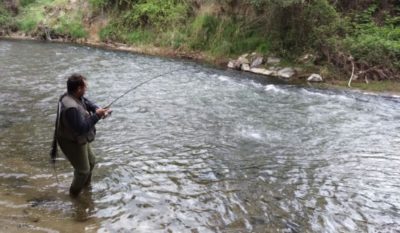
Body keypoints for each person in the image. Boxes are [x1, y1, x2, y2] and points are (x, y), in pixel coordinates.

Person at [55, 73, 111, 197]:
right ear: (79, 89)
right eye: (85, 87)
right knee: (83, 171)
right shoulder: (71, 108)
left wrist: (97, 109)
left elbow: (86, 101)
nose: (86, 89)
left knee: (91, 161)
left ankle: (85, 189)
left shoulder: (73, 95)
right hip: (70, 141)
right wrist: (98, 116)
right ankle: (74, 196)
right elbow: (81, 128)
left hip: (77, 137)